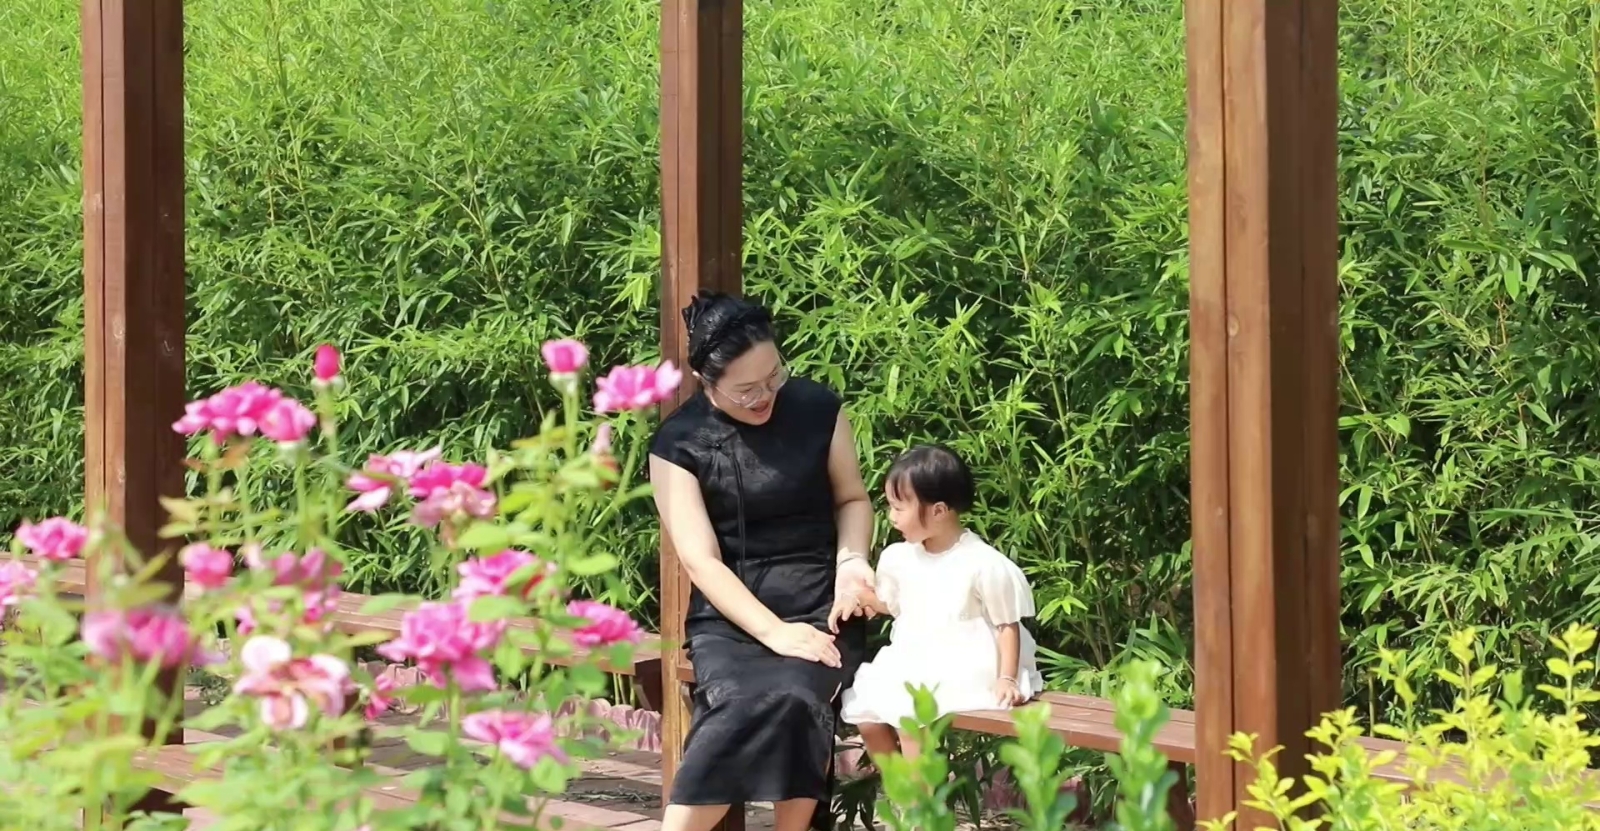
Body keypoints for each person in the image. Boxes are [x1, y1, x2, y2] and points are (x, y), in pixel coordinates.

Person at [649, 291, 878, 831]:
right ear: (706, 382)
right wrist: (775, 632)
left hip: (822, 606)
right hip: (733, 617)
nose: (764, 396)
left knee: (797, 696)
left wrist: (852, 564)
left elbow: (853, 499)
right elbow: (701, 561)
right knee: (738, 706)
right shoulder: (678, 444)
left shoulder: (818, 409)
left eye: (773, 377)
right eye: (746, 389)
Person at [836, 444, 1043, 759]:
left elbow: (1007, 625)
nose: (891, 517)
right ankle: (902, 784)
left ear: (938, 511)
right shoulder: (899, 558)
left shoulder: (981, 563)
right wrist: (860, 597)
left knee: (909, 719)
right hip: (913, 658)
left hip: (966, 663)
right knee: (866, 717)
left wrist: (1006, 678)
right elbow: (895, 606)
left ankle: (918, 789)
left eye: (899, 508)